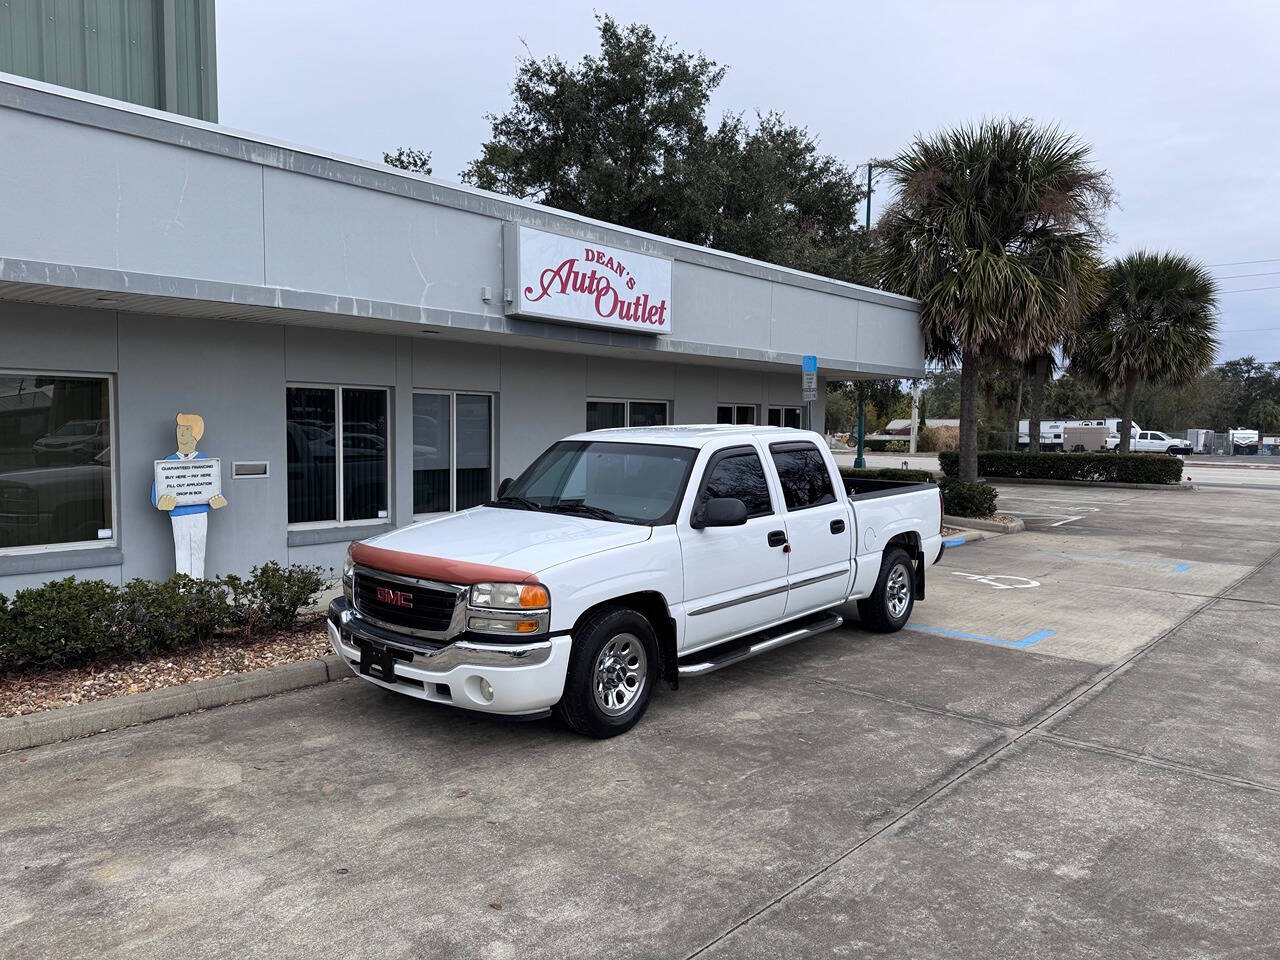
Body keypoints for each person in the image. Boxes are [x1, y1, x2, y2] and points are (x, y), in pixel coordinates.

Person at [152, 413, 227, 578]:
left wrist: (218, 500)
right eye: (179, 429)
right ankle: (183, 591)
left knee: (199, 550)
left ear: (196, 435)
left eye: (186, 430)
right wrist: (159, 502)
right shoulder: (167, 462)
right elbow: (156, 492)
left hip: (200, 513)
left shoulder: (205, 461)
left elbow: (214, 488)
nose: (181, 434)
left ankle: (198, 589)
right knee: (182, 551)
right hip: (178, 515)